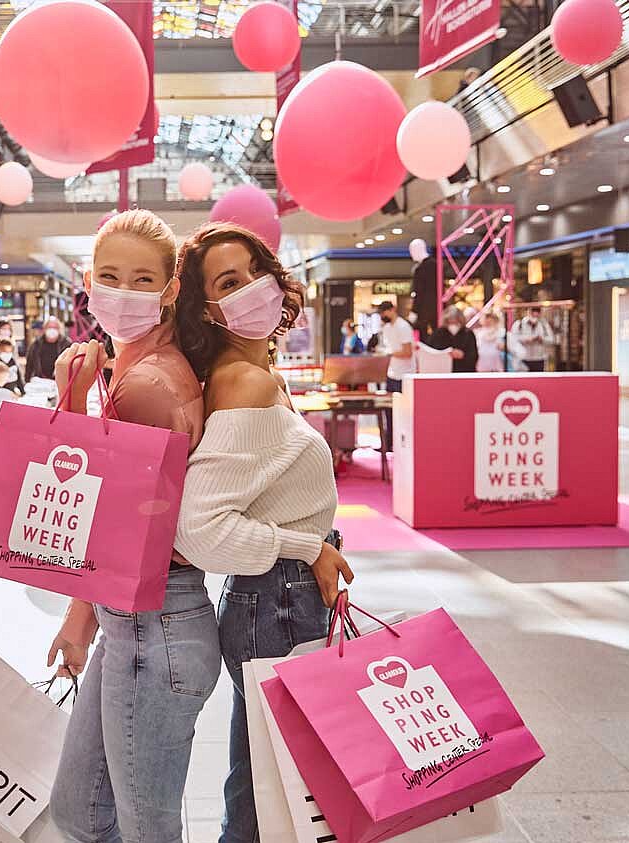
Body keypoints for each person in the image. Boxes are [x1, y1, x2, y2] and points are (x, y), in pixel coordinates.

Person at [172, 222, 357, 843]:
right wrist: (309, 548)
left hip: (281, 598)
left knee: (271, 777)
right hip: (278, 598)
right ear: (207, 309)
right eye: (230, 282)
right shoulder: (244, 381)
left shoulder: (258, 371)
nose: (252, 288)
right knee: (273, 785)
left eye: (256, 271)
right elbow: (201, 529)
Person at [46, 210, 221, 841]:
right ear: (88, 281)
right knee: (81, 811)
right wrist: (84, 623)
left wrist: (68, 405)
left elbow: (107, 524)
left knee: (142, 828)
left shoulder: (146, 382)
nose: (123, 292)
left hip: (155, 622)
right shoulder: (130, 367)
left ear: (170, 289)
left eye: (143, 278)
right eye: (111, 276)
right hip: (140, 619)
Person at [373, 299, 416, 391]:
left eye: (384, 313)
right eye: (380, 314)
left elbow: (408, 353)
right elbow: (387, 347)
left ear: (392, 310)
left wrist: (388, 353)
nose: (382, 316)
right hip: (392, 373)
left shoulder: (403, 326)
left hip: (405, 375)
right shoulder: (387, 328)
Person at [425, 306, 478, 373]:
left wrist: (463, 355)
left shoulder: (468, 334)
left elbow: (474, 355)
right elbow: (429, 351)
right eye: (450, 322)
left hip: (463, 371)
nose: (452, 324)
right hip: (442, 371)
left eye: (455, 322)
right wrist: (444, 354)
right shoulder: (438, 334)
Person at [510, 306, 555, 371]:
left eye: (537, 311)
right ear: (528, 311)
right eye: (533, 311)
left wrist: (542, 339)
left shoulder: (544, 324)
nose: (535, 313)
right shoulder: (519, 324)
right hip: (523, 359)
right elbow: (513, 339)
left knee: (538, 380)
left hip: (539, 359)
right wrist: (526, 339)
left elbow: (551, 339)